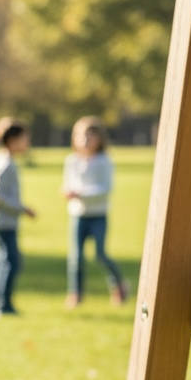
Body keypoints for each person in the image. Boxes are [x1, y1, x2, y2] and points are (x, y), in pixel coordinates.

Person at [62, 116, 128, 308]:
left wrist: (81, 193)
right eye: (82, 137)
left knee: (100, 254)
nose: (85, 141)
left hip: (98, 215)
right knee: (76, 257)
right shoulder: (72, 161)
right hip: (78, 215)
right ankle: (76, 293)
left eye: (90, 137)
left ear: (100, 139)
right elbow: (68, 182)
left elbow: (105, 189)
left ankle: (118, 285)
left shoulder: (104, 161)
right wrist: (68, 192)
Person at [0, 117, 36, 319]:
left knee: (3, 260)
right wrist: (22, 209)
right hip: (2, 221)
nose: (27, 142)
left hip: (2, 220)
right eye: (24, 138)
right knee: (11, 261)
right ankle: (2, 303)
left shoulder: (5, 160)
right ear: (12, 140)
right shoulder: (5, 163)